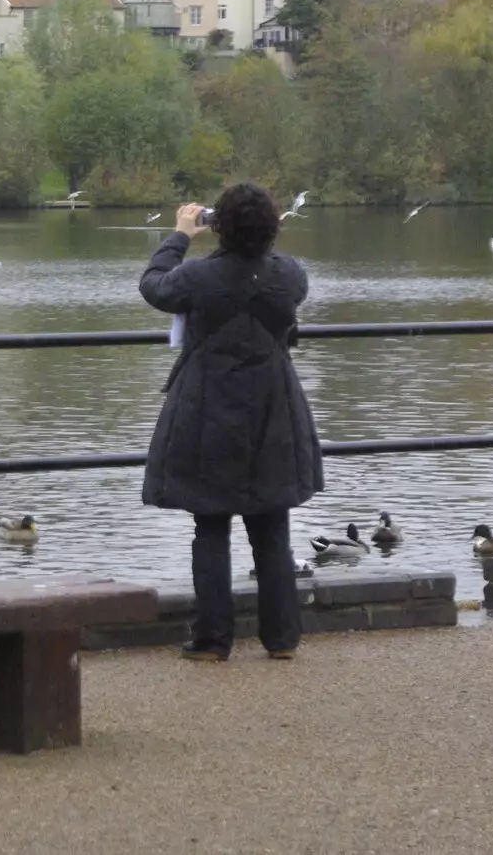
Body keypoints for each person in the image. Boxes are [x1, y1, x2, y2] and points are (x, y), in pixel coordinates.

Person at [139, 183, 324, 661]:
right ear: (271, 228)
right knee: (272, 528)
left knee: (211, 526)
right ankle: (282, 639)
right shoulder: (290, 276)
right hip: (273, 410)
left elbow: (155, 286)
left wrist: (180, 235)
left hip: (208, 410)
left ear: (217, 225)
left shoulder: (199, 277)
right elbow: (276, 281)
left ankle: (212, 640)